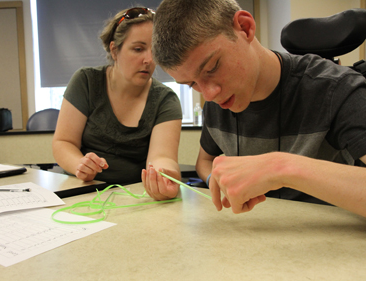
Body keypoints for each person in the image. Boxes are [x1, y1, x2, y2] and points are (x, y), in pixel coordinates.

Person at [152, 0, 366, 217]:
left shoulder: (337, 89)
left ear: (245, 28)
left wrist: (280, 168)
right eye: (192, 84)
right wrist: (216, 181)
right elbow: (205, 161)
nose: (209, 94)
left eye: (212, 68)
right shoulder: (218, 102)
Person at [53, 7, 182, 200]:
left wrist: (165, 176)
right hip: (82, 192)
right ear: (114, 50)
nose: (149, 59)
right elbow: (63, 142)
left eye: (155, 50)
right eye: (138, 49)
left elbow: (162, 156)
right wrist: (80, 165)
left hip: (133, 197)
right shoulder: (86, 82)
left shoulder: (165, 100)